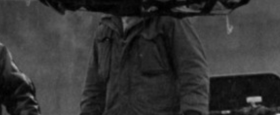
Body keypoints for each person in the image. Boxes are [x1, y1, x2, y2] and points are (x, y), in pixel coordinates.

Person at [80, 14, 209, 115]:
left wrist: (193, 111)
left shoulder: (169, 19)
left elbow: (193, 72)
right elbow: (94, 88)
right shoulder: (106, 28)